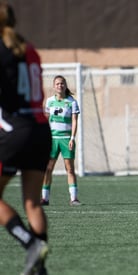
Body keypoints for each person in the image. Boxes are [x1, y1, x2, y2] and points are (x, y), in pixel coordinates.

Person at [0, 1, 51, 274]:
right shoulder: (29, 48)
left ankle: (31, 243)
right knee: (32, 202)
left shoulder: (2, 50)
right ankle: (39, 269)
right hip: (41, 129)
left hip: (15, 130)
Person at [41, 75, 81, 206]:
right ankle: (45, 198)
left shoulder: (72, 102)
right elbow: (46, 120)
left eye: (62, 83)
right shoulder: (49, 101)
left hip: (65, 139)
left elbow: (75, 121)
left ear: (65, 85)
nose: (60, 86)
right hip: (52, 139)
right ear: (54, 86)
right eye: (57, 84)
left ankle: (74, 198)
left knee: (69, 169)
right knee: (48, 168)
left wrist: (72, 138)